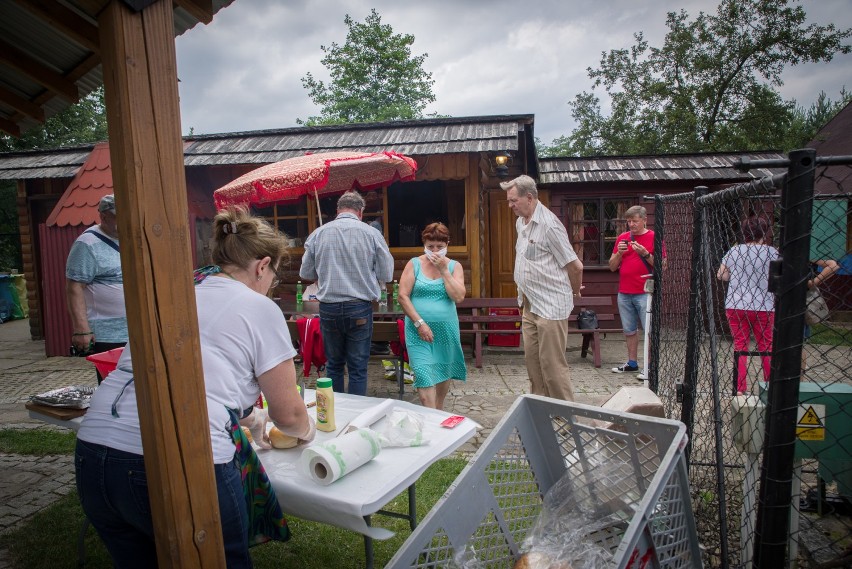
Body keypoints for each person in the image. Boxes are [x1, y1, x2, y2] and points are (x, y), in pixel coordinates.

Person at [74, 208, 315, 568]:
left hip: (93, 454)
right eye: (274, 276)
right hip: (176, 459)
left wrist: (248, 418)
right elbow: (291, 414)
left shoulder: (176, 292)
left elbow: (199, 379)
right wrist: (307, 430)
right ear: (262, 266)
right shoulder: (258, 307)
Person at [299, 191, 394, 395]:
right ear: (360, 212)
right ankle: (355, 418)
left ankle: (337, 414)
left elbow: (305, 272)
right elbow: (386, 273)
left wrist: (323, 272)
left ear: (338, 210)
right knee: (358, 368)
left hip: (329, 308)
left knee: (334, 365)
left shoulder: (319, 233)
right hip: (359, 307)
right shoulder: (372, 234)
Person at [502, 175, 583, 402]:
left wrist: (575, 292)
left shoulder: (549, 225)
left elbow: (575, 266)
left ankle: (566, 415)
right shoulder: (521, 222)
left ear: (529, 197)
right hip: (529, 302)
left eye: (513, 201)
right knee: (533, 362)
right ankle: (541, 408)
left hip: (551, 305)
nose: (510, 206)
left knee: (552, 365)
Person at [398, 222, 467, 410]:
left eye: (439, 247)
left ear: (447, 245)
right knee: (423, 373)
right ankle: (430, 415)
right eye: (430, 247)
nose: (435, 251)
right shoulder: (414, 264)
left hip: (446, 330)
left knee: (443, 371)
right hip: (418, 330)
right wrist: (419, 323)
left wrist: (444, 271)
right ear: (424, 244)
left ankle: (437, 414)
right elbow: (403, 296)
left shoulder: (454, 266)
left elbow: (458, 296)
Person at [65, 194, 127, 381]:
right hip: (108, 334)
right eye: (118, 216)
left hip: (134, 329)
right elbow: (74, 287)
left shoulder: (129, 237)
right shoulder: (87, 244)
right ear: (104, 216)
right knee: (112, 384)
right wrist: (81, 329)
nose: (123, 220)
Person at [716, 216, 778, 394]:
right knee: (766, 345)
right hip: (764, 305)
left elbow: (722, 275)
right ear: (764, 233)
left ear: (744, 233)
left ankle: (740, 388)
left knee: (740, 345)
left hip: (736, 303)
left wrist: (738, 275)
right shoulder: (772, 252)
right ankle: (769, 384)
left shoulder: (735, 251)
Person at [608, 205, 666, 375]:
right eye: (628, 221)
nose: (631, 224)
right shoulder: (623, 238)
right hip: (625, 292)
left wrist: (646, 254)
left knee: (648, 330)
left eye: (635, 221)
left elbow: (663, 267)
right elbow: (612, 267)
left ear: (644, 220)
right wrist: (619, 253)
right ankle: (632, 363)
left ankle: (649, 366)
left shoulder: (655, 237)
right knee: (629, 330)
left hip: (645, 293)